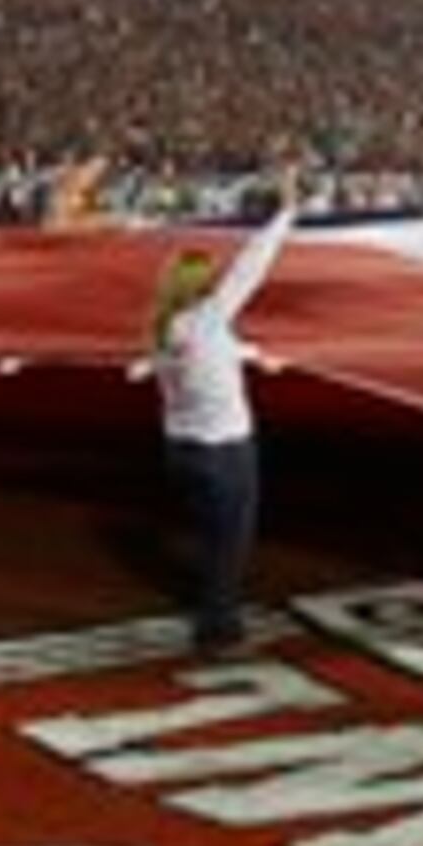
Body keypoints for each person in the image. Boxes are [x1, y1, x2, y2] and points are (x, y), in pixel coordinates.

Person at [145, 170, 303, 651]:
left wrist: (254, 356)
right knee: (230, 541)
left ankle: (214, 607)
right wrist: (287, 211)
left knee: (211, 537)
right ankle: (217, 628)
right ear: (201, 290)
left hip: (182, 448)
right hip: (223, 451)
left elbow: (212, 354)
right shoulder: (210, 320)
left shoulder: (162, 330)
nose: (218, 287)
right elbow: (250, 268)